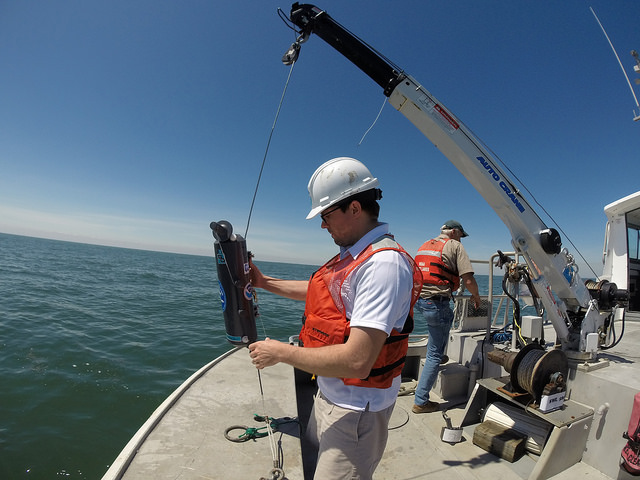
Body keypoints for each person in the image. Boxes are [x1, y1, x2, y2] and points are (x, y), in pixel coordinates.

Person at [248, 157, 421, 480]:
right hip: (332, 396)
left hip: (356, 412)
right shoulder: (356, 256)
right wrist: (264, 282)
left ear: (354, 208)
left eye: (326, 216)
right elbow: (322, 294)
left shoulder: (383, 266)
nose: (323, 226)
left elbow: (358, 361)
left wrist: (280, 353)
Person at [412, 220, 481, 414]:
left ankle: (440, 353)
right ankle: (421, 401)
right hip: (437, 303)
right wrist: (476, 297)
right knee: (434, 353)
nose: (461, 239)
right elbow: (467, 279)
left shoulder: (426, 244)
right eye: (461, 235)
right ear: (454, 232)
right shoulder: (455, 246)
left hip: (419, 301)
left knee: (440, 329)